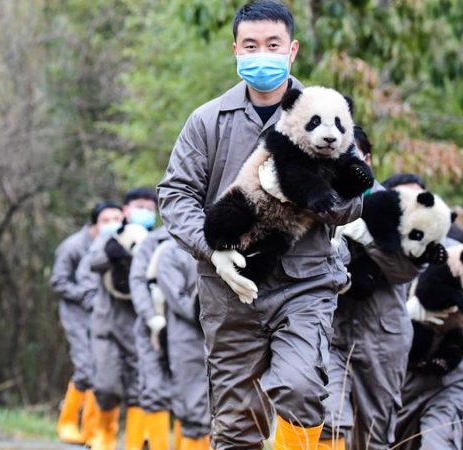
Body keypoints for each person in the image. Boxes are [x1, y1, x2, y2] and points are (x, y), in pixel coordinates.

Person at [157, 2, 362, 448]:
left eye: (272, 44)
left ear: (292, 50)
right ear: (235, 49)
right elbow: (175, 196)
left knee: (302, 387)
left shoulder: (329, 113)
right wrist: (213, 250)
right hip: (229, 289)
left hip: (305, 282)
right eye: (250, 46)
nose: (262, 54)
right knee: (236, 423)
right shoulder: (207, 121)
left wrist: (311, 193)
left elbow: (354, 203)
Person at [320, 128, 424, 449]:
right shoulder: (318, 199)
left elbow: (407, 270)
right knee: (327, 421)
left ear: (366, 159)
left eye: (349, 153)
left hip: (383, 337)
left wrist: (368, 239)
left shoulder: (398, 207)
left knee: (374, 436)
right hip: (331, 333)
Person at [387, 176, 463, 450]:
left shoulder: (454, 251)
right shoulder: (369, 246)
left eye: (421, 200)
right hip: (391, 381)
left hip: (445, 380)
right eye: (402, 200)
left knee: (437, 443)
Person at [87, 188, 159, 450]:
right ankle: (103, 437)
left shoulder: (155, 239)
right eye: (139, 206)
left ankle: (137, 442)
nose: (145, 212)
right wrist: (114, 252)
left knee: (140, 389)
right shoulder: (111, 236)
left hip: (140, 327)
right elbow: (93, 262)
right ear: (126, 209)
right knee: (106, 386)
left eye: (150, 208)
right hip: (107, 325)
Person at [50, 201, 123, 444]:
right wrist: (85, 296)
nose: (112, 224)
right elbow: (58, 281)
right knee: (85, 368)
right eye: (106, 220)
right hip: (76, 313)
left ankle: (91, 431)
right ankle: (68, 423)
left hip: (103, 314)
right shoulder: (73, 246)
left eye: (117, 219)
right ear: (94, 224)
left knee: (102, 371)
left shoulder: (119, 242)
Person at [156, 240, 210, 450]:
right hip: (186, 335)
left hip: (217, 335)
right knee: (191, 404)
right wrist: (203, 313)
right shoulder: (171, 252)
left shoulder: (219, 246)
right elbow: (176, 296)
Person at [129, 222, 175, 450]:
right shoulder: (153, 241)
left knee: (194, 397)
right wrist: (151, 317)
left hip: (191, 329)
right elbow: (137, 281)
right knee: (154, 390)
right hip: (154, 328)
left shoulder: (204, 236)